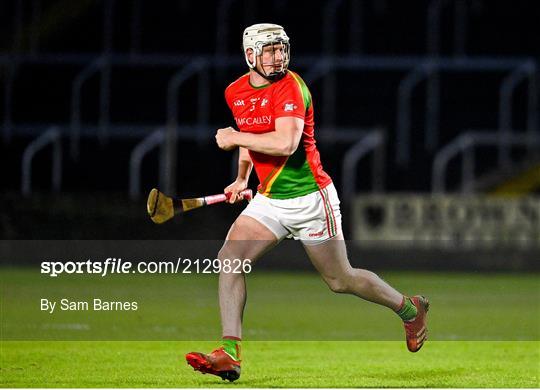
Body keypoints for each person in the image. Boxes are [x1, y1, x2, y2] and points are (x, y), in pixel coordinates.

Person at [186, 23, 429, 382]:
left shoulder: (292, 87)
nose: (278, 56)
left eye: (282, 48)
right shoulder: (235, 91)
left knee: (340, 280)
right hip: (270, 200)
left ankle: (410, 309)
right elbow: (251, 137)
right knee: (229, 258)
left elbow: (284, 143)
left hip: (311, 199)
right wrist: (242, 178)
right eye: (269, 50)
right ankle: (230, 353)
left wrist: (233, 135)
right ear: (250, 54)